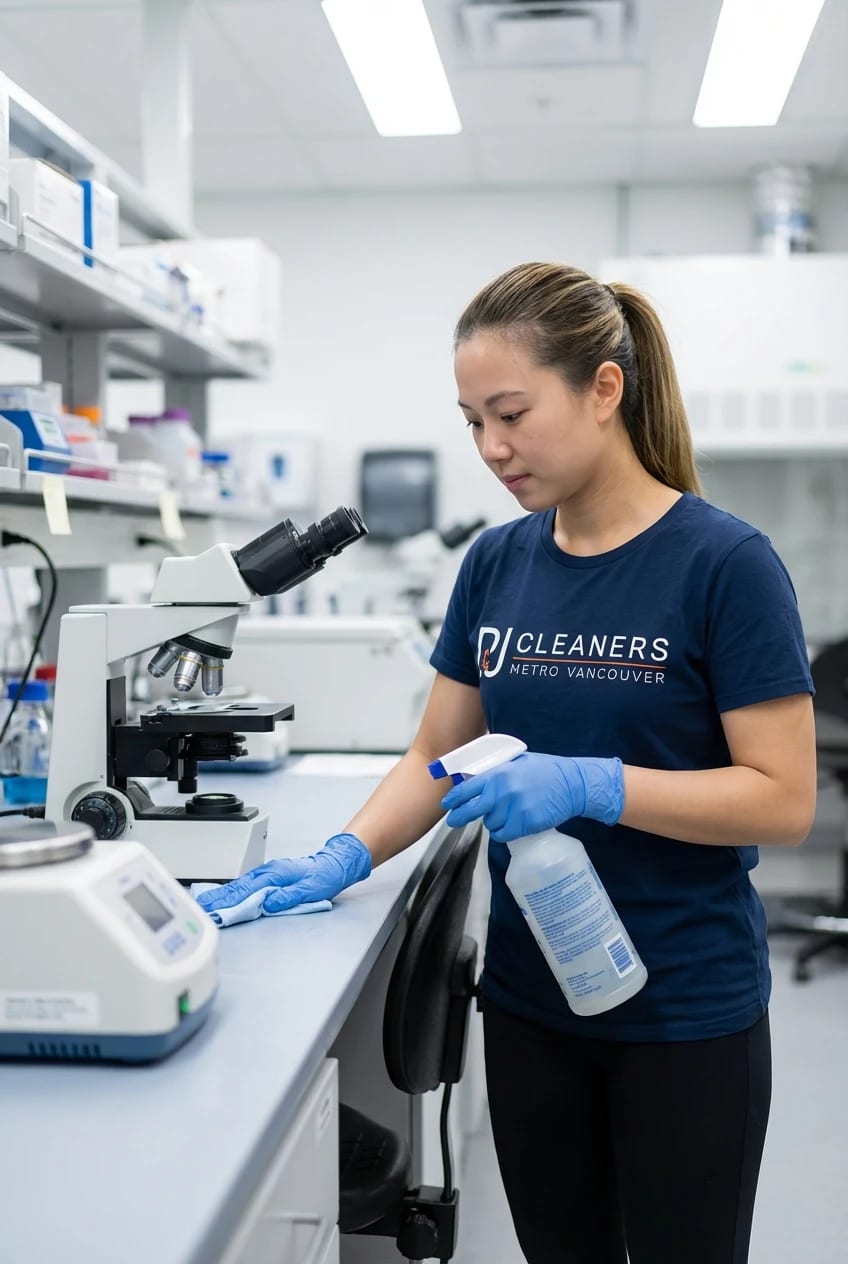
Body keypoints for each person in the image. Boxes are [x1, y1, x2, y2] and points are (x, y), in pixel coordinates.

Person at [198, 262, 817, 1264]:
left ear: (602, 389)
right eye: (470, 420)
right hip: (532, 1003)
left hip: (683, 1013)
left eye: (511, 413)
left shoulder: (722, 564)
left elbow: (781, 799)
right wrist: (344, 856)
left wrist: (592, 784)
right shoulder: (497, 561)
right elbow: (433, 753)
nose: (490, 447)